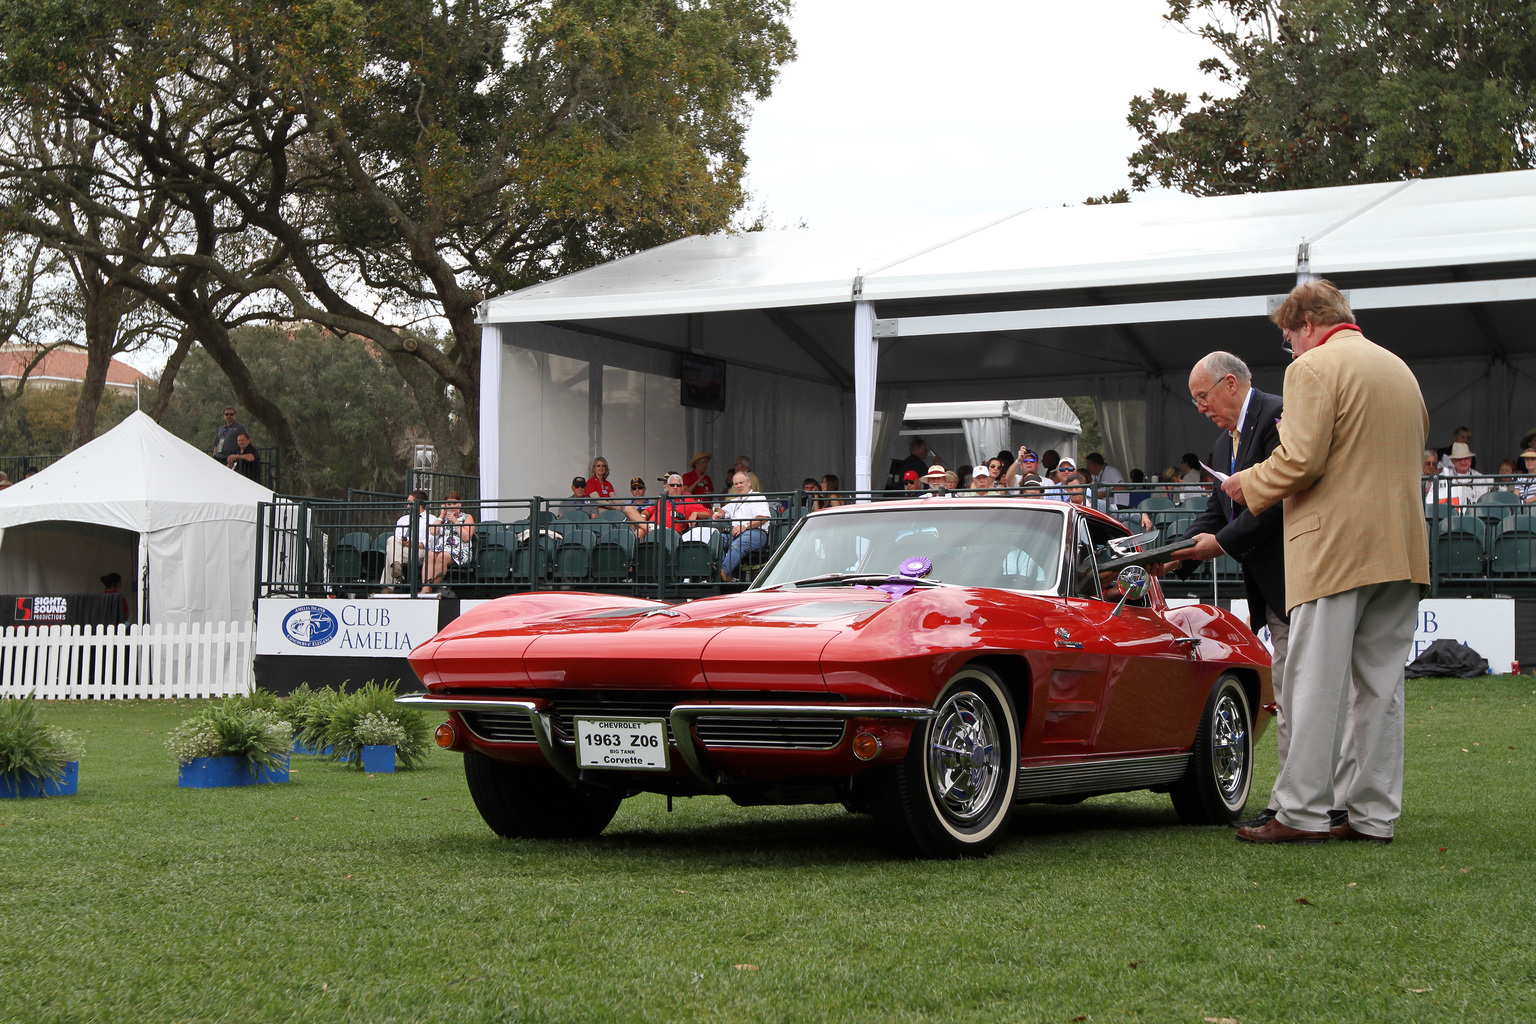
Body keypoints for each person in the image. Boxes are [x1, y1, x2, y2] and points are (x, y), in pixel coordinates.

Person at [1224, 279, 1428, 845]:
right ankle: (1372, 817)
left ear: (1307, 325)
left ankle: (1302, 811)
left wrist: (1249, 482)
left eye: (1290, 339)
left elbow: (1302, 461)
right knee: (1381, 690)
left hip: (1335, 547)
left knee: (1313, 685)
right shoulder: (1399, 370)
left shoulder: (1311, 369)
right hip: (1402, 549)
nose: (1291, 350)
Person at [1152, 349, 1336, 833]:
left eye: (1203, 397)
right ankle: (1299, 800)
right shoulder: (1220, 447)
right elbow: (1218, 514)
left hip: (1302, 576)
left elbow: (1281, 499)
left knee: (1305, 694)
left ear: (1230, 384)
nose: (1200, 408)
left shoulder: (1280, 416)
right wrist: (1175, 553)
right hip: (1271, 587)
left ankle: (1303, 805)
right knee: (1291, 693)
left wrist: (1222, 543)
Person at [382, 490, 444, 590]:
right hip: (403, 549)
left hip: (420, 550)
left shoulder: (432, 519)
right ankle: (396, 566)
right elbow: (398, 536)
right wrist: (404, 541)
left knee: (391, 555)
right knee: (392, 540)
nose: (407, 506)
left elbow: (433, 540)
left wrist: (417, 544)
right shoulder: (403, 519)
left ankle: (388, 588)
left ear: (418, 503)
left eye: (409, 503)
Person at [715, 472, 773, 580]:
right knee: (717, 541)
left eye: (741, 482)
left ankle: (723, 572)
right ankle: (725, 574)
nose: (738, 486)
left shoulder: (758, 497)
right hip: (736, 533)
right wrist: (718, 514)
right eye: (736, 484)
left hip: (756, 533)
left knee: (737, 545)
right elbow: (723, 511)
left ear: (749, 483)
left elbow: (764, 518)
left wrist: (744, 526)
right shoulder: (734, 501)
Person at [433, 491, 476, 580]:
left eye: (454, 503)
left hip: (459, 551)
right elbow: (433, 531)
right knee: (430, 554)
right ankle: (426, 588)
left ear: (459, 504)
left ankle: (433, 586)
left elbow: (467, 537)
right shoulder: (443, 519)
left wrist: (455, 521)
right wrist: (442, 515)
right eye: (449, 504)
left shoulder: (466, 517)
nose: (452, 506)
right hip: (442, 548)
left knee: (442, 556)